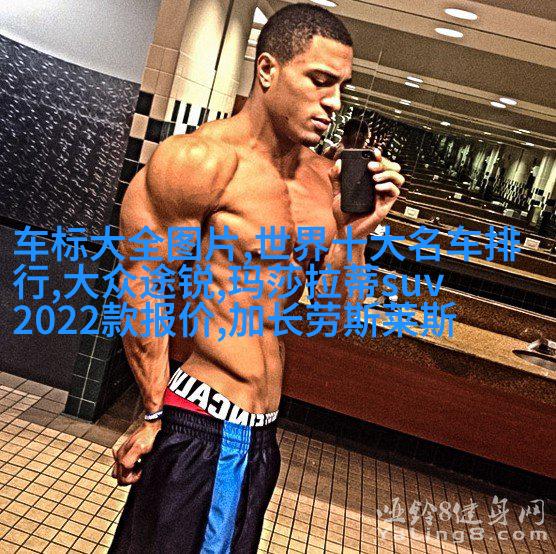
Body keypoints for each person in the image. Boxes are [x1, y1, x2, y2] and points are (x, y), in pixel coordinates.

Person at [109, 3, 404, 553]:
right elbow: (142, 289)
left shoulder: (323, 183)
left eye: (341, 87)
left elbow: (338, 316)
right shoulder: (200, 162)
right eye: (320, 81)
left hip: (262, 436)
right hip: (203, 421)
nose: (335, 103)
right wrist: (151, 414)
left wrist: (355, 234)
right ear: (267, 70)